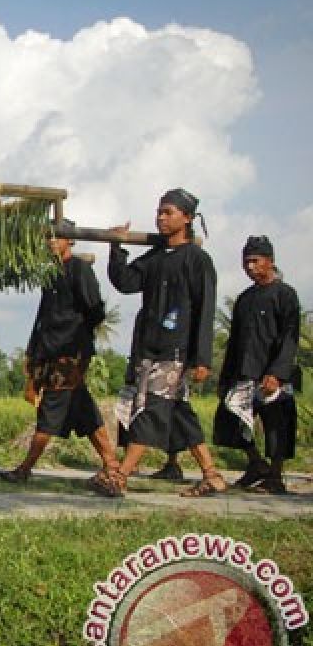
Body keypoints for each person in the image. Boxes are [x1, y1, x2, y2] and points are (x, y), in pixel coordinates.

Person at [93, 187, 224, 498]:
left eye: (169, 212)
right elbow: (125, 282)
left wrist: (201, 358)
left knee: (150, 409)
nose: (161, 218)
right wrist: (116, 247)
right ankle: (212, 474)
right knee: (177, 411)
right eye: (159, 212)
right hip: (147, 347)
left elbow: (206, 311)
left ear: (187, 218)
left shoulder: (198, 260)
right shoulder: (154, 258)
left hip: (174, 351)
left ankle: (121, 475)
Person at [0, 230, 119, 484]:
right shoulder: (50, 274)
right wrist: (32, 352)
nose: (52, 242)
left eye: (58, 237)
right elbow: (42, 317)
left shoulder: (79, 269)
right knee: (82, 409)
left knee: (51, 408)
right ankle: (112, 463)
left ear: (70, 240)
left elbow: (95, 310)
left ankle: (25, 468)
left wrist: (76, 337)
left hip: (69, 354)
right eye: (48, 238)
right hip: (48, 351)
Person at [212, 235, 302, 494]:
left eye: (255, 261)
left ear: (270, 262)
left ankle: (275, 477)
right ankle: (255, 464)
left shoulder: (285, 295)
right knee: (230, 419)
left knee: (277, 425)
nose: (250, 267)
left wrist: (277, 373)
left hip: (272, 374)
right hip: (244, 372)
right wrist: (226, 377)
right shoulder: (245, 298)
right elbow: (235, 340)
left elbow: (289, 337)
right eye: (246, 262)